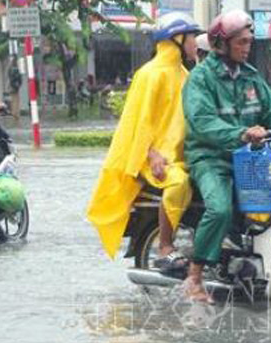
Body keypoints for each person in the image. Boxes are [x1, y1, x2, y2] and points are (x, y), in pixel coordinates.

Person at [181, 9, 271, 302]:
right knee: (219, 209)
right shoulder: (200, 79)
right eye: (241, 43)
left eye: (249, 42)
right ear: (222, 45)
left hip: (250, 158)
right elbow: (203, 122)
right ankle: (194, 276)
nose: (247, 48)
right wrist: (241, 134)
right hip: (211, 158)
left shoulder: (250, 76)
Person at [86, 13, 201, 261]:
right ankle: (165, 246)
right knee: (179, 183)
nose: (195, 43)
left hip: (183, 156)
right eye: (192, 37)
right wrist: (151, 154)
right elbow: (136, 123)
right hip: (155, 160)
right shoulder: (150, 74)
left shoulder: (185, 75)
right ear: (177, 39)